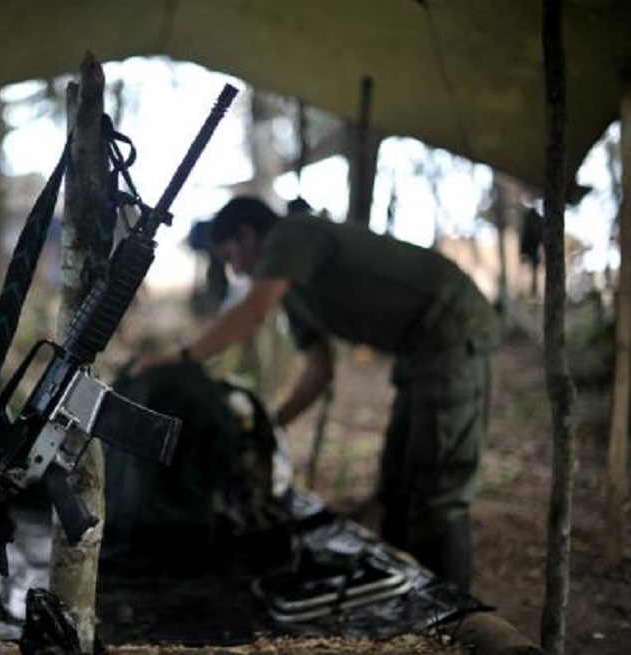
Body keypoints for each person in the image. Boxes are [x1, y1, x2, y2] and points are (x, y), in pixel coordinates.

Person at [134, 196, 499, 591]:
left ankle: (453, 613)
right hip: (417, 351)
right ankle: (405, 595)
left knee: (436, 484)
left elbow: (254, 311)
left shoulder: (293, 233)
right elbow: (318, 370)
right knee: (397, 482)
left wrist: (182, 359)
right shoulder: (295, 293)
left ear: (247, 234)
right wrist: (271, 426)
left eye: (231, 256)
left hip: (450, 326)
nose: (235, 270)